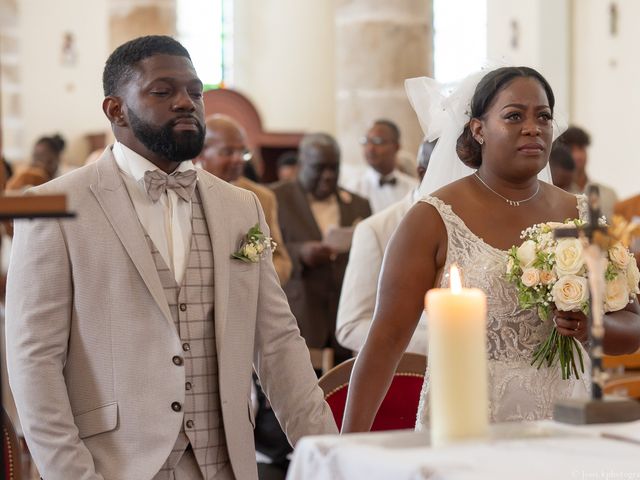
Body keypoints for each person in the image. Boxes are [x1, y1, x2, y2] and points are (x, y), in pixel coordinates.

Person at [5, 35, 337, 480]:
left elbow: (277, 343)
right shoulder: (48, 204)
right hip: (115, 466)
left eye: (195, 92)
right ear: (115, 109)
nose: (186, 102)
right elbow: (34, 359)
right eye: (163, 91)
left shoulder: (241, 208)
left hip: (225, 463)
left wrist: (334, 458)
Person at [341, 66, 640, 433]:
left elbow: (631, 325)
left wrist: (590, 329)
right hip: (468, 427)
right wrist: (346, 445)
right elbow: (385, 342)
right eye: (514, 116)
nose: (533, 127)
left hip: (565, 426)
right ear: (478, 129)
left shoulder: (581, 216)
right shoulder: (432, 219)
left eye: (543, 116)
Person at [272, 133, 371, 365]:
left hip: (345, 317)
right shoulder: (275, 197)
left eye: (333, 168)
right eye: (319, 168)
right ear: (301, 164)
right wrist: (300, 253)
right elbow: (264, 247)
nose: (328, 176)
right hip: (300, 314)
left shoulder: (359, 204)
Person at [336, 138, 435, 354]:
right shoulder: (376, 230)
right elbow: (351, 327)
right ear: (422, 172)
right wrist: (439, 344)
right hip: (404, 376)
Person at [197, 114, 292, 285]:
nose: (238, 159)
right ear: (202, 152)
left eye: (243, 151)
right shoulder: (184, 189)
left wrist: (256, 280)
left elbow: (280, 259)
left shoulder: (261, 197)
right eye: (228, 151)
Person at [344, 119, 418, 213]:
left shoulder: (413, 188)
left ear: (396, 146)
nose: (370, 148)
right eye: (366, 141)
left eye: (377, 141)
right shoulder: (354, 188)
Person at [558, 126, 618, 220]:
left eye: (581, 148)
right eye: (571, 150)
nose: (578, 156)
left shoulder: (608, 194)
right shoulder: (557, 195)